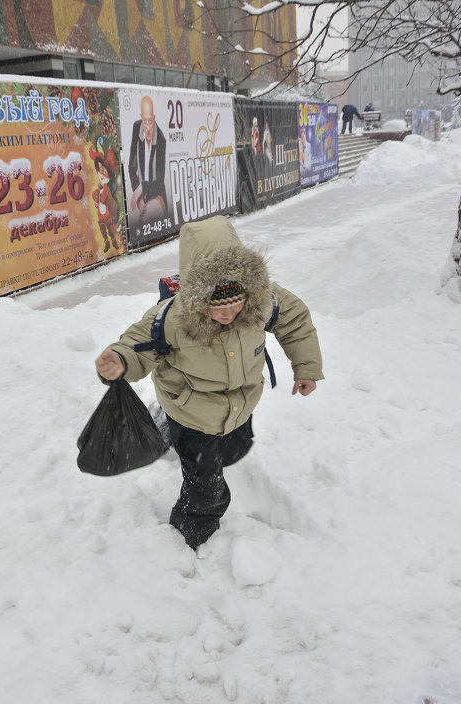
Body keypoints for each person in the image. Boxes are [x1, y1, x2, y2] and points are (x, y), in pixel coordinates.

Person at [95, 214, 324, 550]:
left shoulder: (264, 300)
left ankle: (163, 422)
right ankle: (189, 534)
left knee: (236, 448)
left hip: (240, 405)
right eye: (217, 307)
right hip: (191, 410)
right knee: (206, 487)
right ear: (197, 295)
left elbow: (296, 322)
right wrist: (119, 359)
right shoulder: (173, 317)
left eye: (235, 304)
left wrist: (306, 366)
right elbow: (139, 343)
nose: (228, 314)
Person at [128, 95, 167, 220]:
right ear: (141, 118)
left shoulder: (161, 139)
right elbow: (131, 167)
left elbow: (160, 181)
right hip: (142, 197)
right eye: (145, 121)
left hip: (157, 197)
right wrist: (138, 197)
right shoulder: (136, 129)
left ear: (154, 118)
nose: (148, 127)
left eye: (150, 121)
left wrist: (142, 187)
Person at [90, 147, 122, 254]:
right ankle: (106, 242)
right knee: (103, 230)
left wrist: (101, 189)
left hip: (108, 214)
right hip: (101, 216)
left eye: (103, 171)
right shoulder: (100, 189)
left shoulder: (105, 189)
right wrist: (96, 201)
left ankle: (114, 242)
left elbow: (103, 198)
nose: (100, 174)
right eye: (99, 171)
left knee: (110, 228)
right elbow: (96, 196)